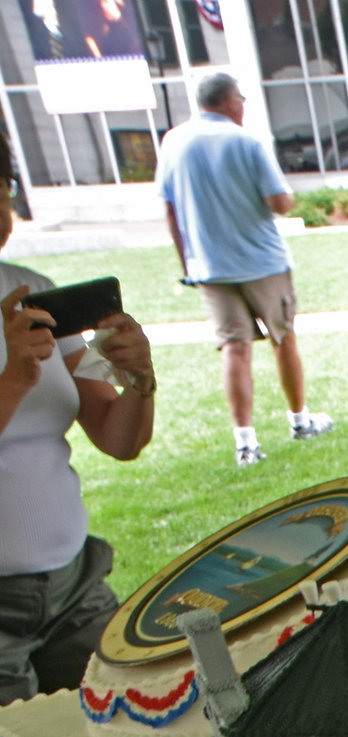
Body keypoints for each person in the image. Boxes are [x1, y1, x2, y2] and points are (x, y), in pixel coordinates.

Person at [1, 126, 157, 703]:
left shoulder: (33, 296)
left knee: (124, 722)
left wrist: (139, 379)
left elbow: (118, 435)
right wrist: (14, 379)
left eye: (2, 189)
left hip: (74, 587)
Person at [160, 72, 331, 466]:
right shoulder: (247, 140)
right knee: (283, 338)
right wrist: (289, 195)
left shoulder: (173, 141)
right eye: (241, 98)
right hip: (262, 262)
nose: (243, 105)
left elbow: (170, 208)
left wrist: (187, 262)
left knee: (233, 350)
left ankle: (245, 443)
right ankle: (300, 420)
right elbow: (280, 203)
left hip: (210, 268)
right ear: (229, 101)